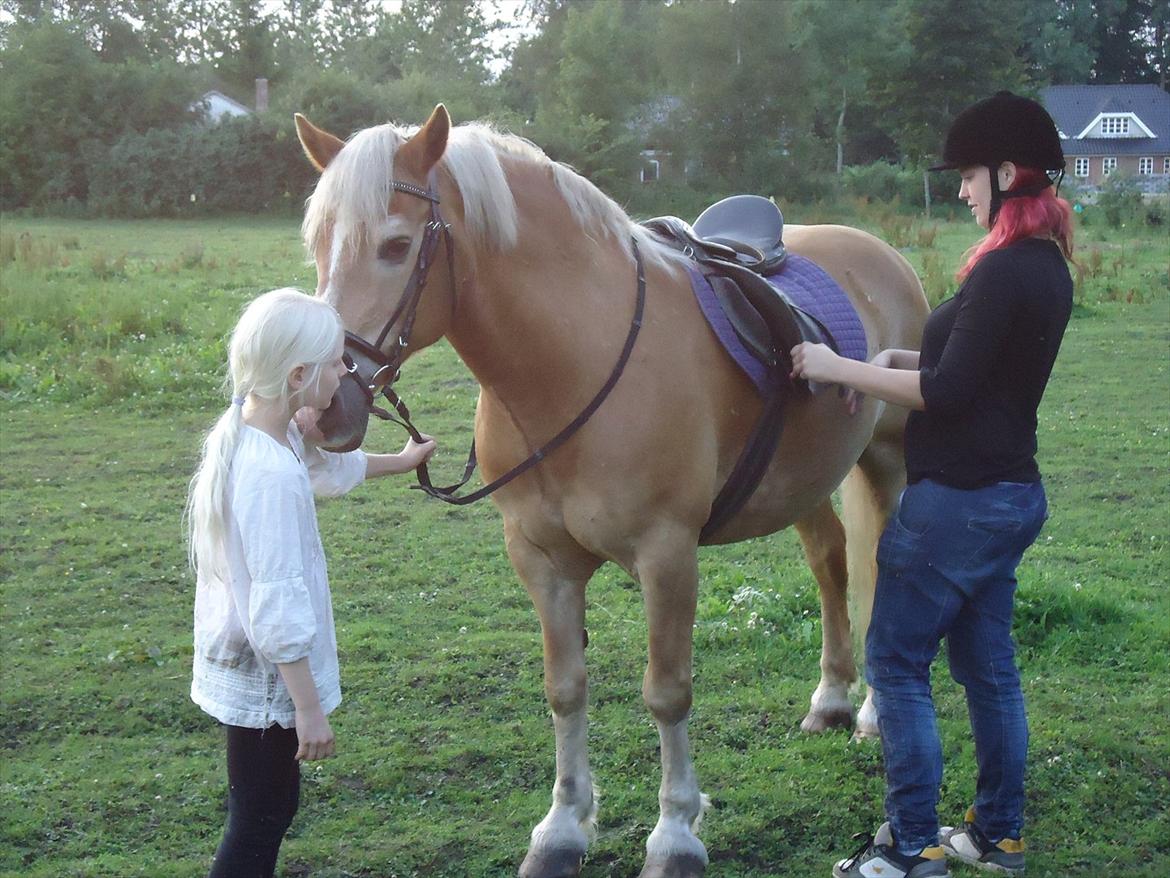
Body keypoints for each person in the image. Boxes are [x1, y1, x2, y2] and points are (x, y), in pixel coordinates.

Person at [790, 92, 1074, 878]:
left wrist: (834, 366)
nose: (961, 190)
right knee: (988, 671)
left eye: (971, 175)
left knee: (898, 666)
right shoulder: (1045, 267)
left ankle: (912, 845)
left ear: (1009, 174)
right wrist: (887, 363)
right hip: (1011, 494)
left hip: (956, 504)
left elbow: (949, 397)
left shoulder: (1002, 274)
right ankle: (997, 836)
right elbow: (974, 376)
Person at [186, 288, 436, 878]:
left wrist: (401, 460)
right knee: (260, 816)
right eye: (334, 363)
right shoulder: (269, 471)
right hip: (273, 684)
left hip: (260, 670)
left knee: (265, 807)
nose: (346, 373)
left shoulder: (261, 430)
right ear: (298, 375)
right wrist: (308, 710)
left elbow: (325, 468)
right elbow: (277, 605)